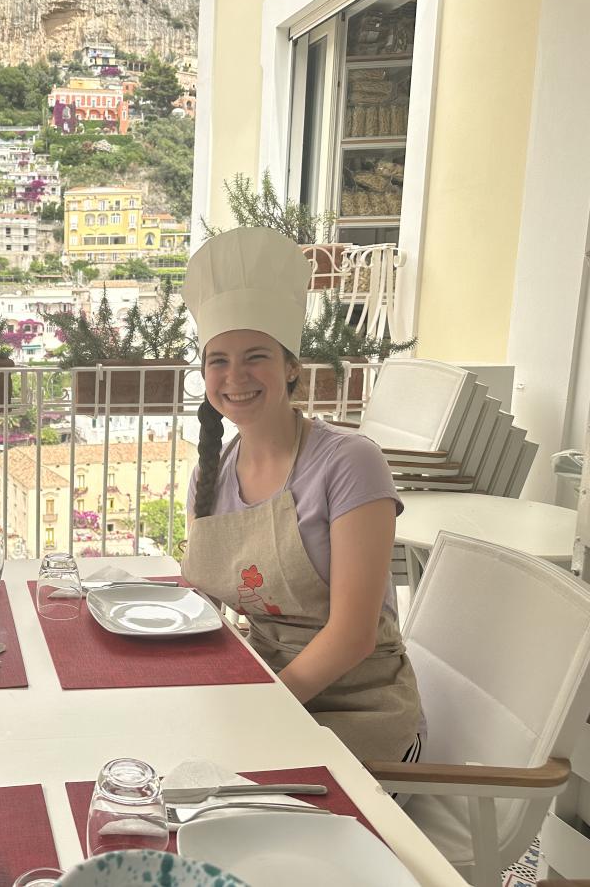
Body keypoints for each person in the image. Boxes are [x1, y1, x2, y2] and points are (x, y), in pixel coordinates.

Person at [180, 227, 423, 764]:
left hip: (363, 715)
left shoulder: (349, 464)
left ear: (292, 367)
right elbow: (200, 604)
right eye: (218, 359)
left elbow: (355, 636)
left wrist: (260, 713)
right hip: (268, 690)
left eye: (256, 356)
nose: (235, 376)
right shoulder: (210, 472)